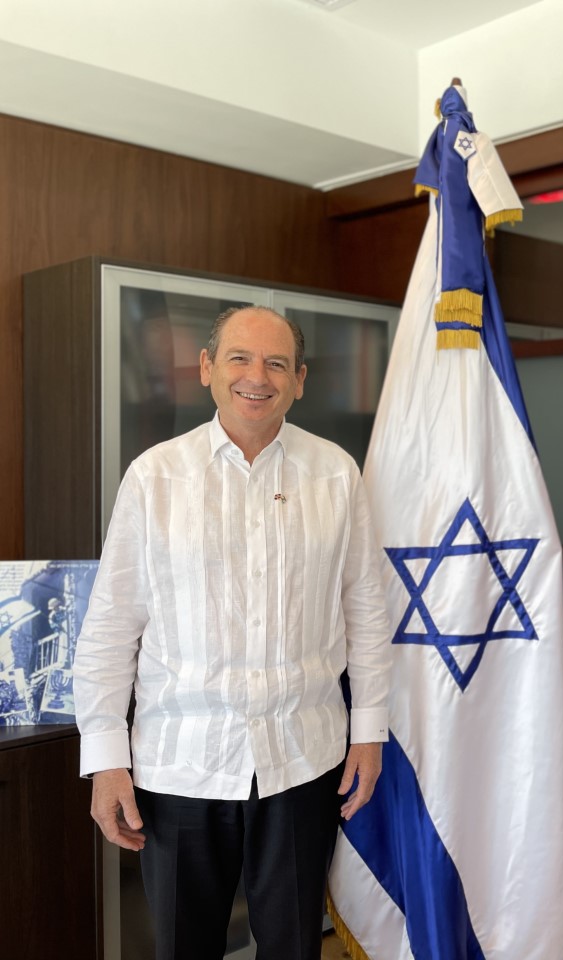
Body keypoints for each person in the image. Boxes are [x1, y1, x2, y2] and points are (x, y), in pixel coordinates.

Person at [74, 305, 392, 960]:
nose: (258, 377)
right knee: (185, 946)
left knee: (294, 945)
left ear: (299, 380)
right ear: (207, 369)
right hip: (181, 763)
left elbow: (365, 606)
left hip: (304, 759)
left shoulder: (336, 474)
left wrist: (370, 732)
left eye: (277, 363)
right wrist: (105, 756)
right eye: (240, 359)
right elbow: (111, 620)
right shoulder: (155, 476)